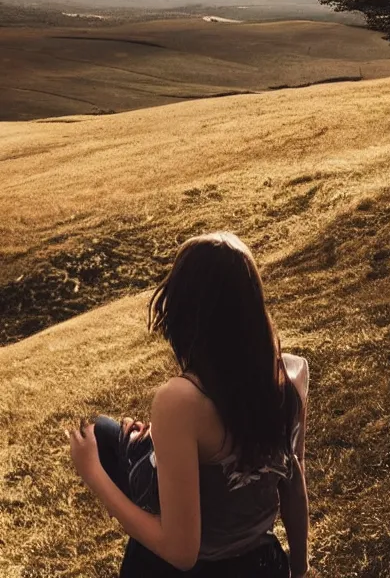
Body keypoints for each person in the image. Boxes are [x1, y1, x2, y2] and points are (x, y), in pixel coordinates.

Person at [67, 232, 310, 577]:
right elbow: (293, 480)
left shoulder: (180, 401)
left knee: (103, 436)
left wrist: (92, 473)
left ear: (184, 311)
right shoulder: (291, 376)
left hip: (200, 571)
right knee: (109, 431)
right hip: (265, 564)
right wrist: (299, 569)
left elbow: (181, 552)